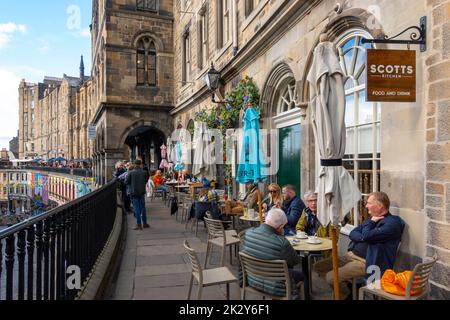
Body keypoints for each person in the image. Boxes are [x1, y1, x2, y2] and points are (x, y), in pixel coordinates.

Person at [313, 192, 405, 300]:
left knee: (331, 278)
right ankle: (348, 290)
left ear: (380, 206)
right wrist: (364, 237)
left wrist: (368, 228)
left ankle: (344, 295)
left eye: (369, 203)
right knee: (318, 267)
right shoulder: (372, 219)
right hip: (350, 256)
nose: (366, 206)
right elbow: (353, 233)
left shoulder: (392, 223)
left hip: (366, 262)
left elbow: (367, 234)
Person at [240, 208, 303, 299]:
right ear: (281, 227)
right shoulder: (282, 243)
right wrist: (281, 237)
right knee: (301, 275)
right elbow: (295, 261)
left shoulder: (248, 234)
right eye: (284, 227)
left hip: (252, 280)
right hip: (277, 288)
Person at [126, 159, 150, 230]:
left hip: (134, 192)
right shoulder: (144, 172)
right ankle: (145, 223)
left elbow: (126, 182)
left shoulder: (130, 172)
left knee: (136, 208)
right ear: (140, 164)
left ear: (134, 164)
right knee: (143, 208)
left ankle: (139, 224)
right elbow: (146, 181)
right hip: (142, 192)